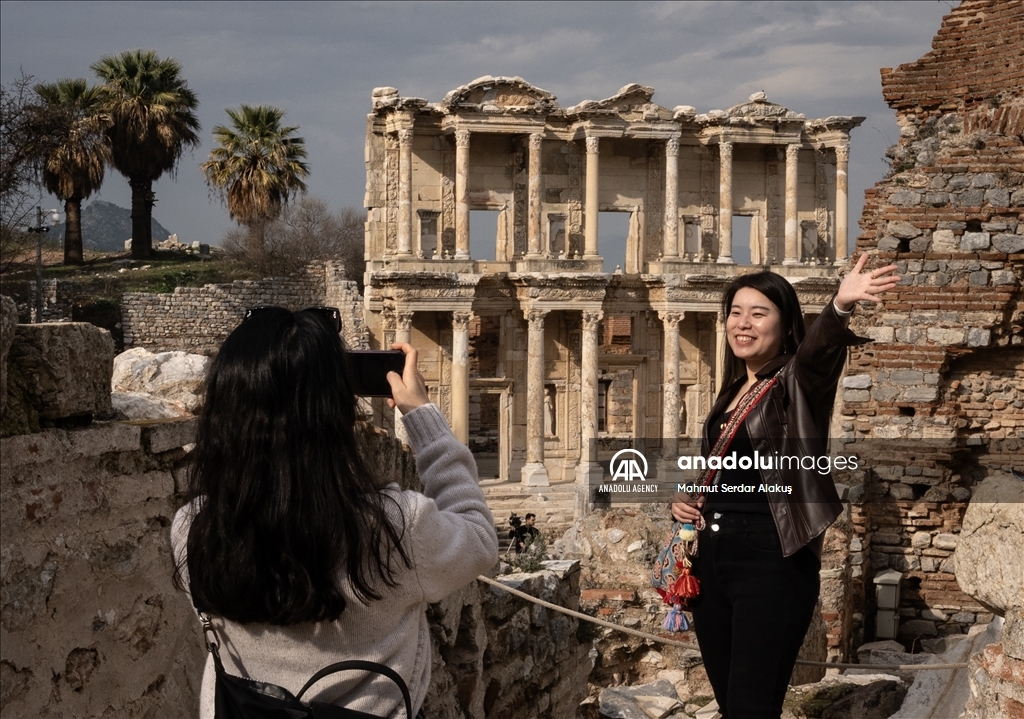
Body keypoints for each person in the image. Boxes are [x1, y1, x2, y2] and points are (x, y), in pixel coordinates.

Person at [171, 306, 499, 718]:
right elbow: (480, 539)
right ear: (336, 411)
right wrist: (422, 416)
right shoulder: (397, 527)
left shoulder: (191, 527)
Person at [670, 255, 899, 718]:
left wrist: (839, 306)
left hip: (771, 556)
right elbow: (734, 467)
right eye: (735, 312)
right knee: (731, 703)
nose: (743, 323)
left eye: (759, 313)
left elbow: (820, 350)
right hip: (713, 559)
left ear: (785, 322)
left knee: (753, 706)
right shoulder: (734, 387)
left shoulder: (796, 379)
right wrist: (689, 496)